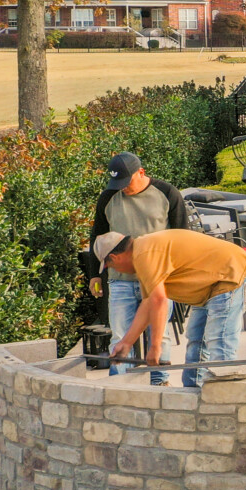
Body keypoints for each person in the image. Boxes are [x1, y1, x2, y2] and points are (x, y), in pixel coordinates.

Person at [95, 227, 246, 387]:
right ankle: (194, 395)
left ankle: (225, 405)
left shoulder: (144, 255)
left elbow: (159, 301)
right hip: (210, 284)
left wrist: (155, 347)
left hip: (229, 275)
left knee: (219, 345)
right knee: (196, 342)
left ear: (115, 258)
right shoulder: (143, 251)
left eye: (111, 267)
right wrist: (126, 343)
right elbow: (148, 304)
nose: (117, 271)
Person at [87, 151, 189, 387]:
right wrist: (95, 274)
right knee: (120, 336)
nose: (122, 188)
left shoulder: (167, 193)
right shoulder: (109, 198)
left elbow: (183, 234)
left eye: (127, 182)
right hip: (120, 279)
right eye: (117, 183)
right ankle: (119, 384)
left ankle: (160, 381)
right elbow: (97, 237)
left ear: (141, 172)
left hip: (158, 279)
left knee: (160, 334)